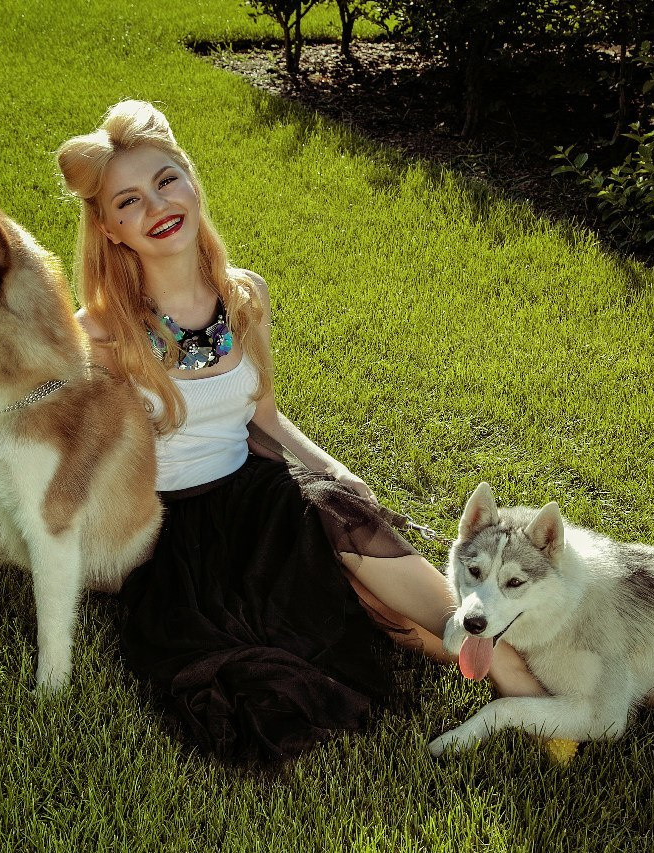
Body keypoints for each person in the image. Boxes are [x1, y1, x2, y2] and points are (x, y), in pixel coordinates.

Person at [55, 99, 548, 762]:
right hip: (172, 533)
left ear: (191, 178)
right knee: (352, 607)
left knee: (337, 510)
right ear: (111, 230)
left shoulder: (244, 295)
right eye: (129, 202)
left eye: (166, 180)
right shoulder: (100, 334)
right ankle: (512, 670)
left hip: (257, 496)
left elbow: (265, 417)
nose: (157, 206)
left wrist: (340, 471)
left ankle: (506, 664)